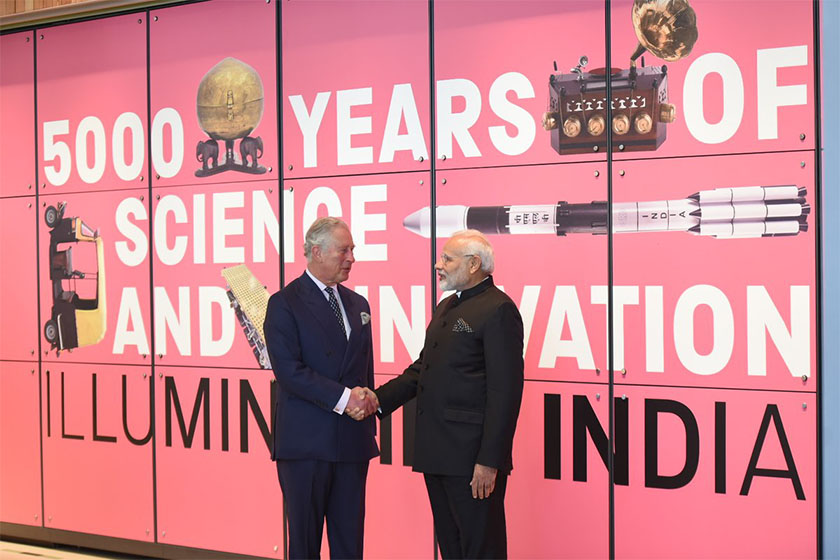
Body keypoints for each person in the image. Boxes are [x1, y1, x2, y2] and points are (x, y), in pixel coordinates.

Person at [372, 229, 525, 559]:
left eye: (447, 259)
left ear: (473, 264)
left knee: (481, 548)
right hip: (437, 453)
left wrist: (489, 461)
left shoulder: (498, 310)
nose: (437, 265)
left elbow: (506, 392)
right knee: (452, 547)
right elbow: (422, 369)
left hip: (471, 461)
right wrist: (377, 400)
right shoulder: (445, 307)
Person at [263, 217, 379, 560]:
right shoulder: (285, 303)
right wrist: (346, 400)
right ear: (316, 252)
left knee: (349, 545)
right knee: (305, 544)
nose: (351, 258)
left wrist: (369, 400)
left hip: (352, 444)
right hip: (306, 446)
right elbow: (289, 372)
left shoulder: (359, 305)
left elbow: (363, 369)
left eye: (352, 250)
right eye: (344, 250)